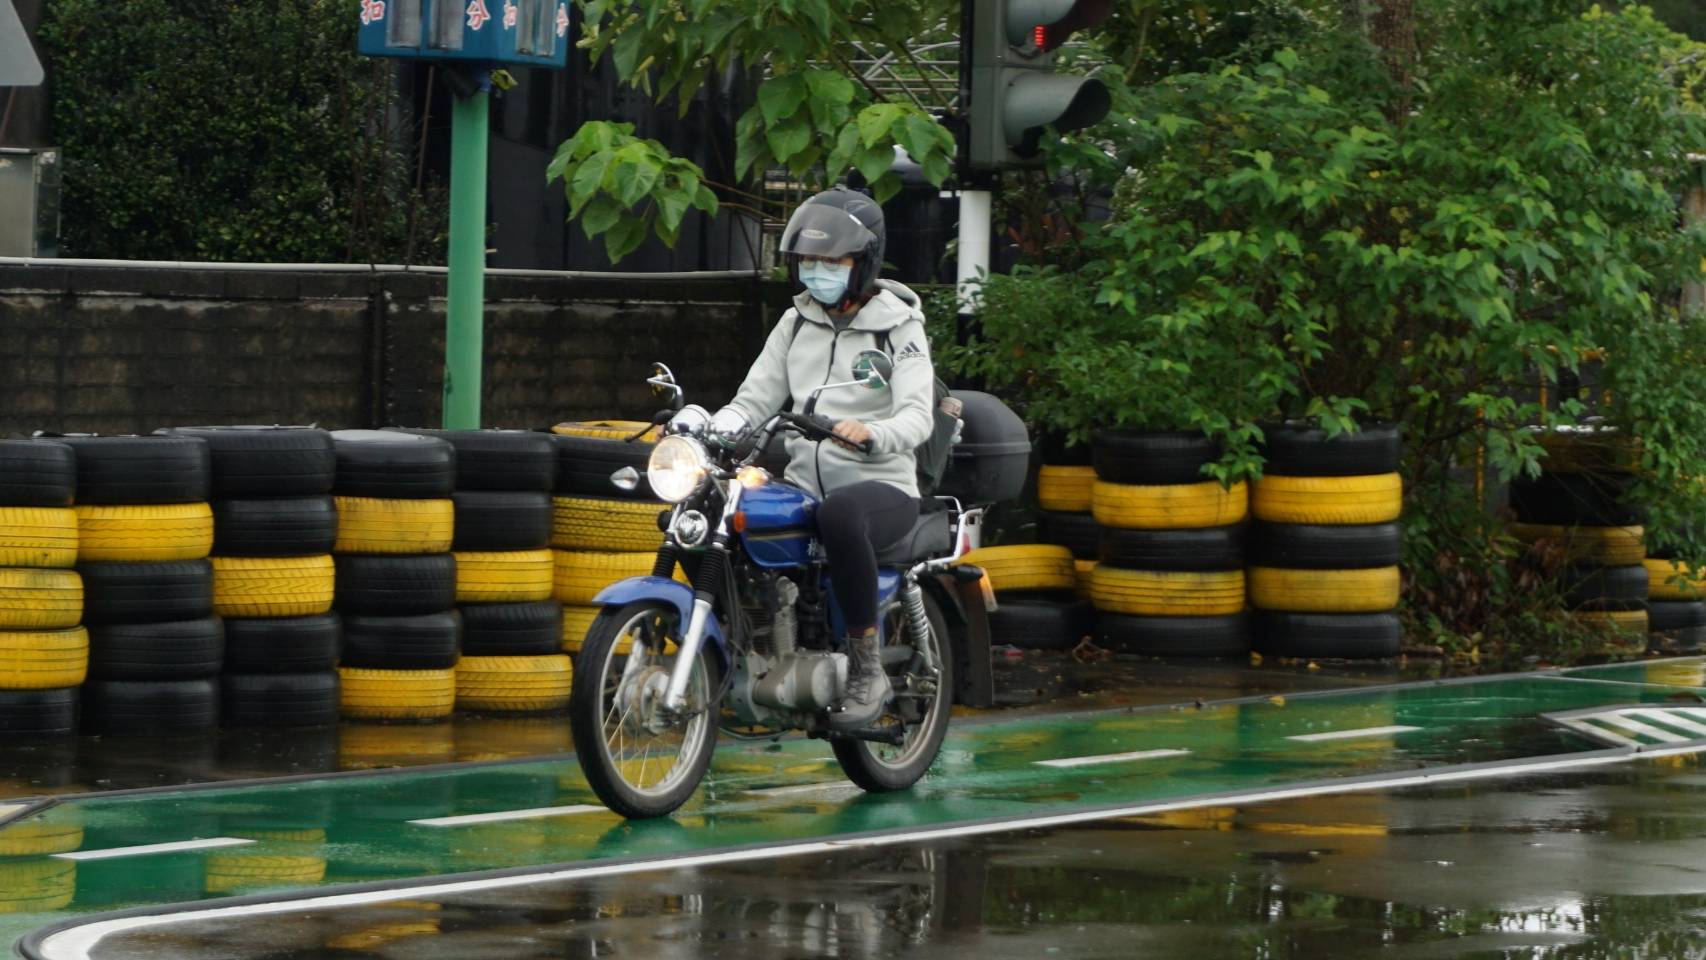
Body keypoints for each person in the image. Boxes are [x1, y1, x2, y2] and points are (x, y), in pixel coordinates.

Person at [670, 187, 935, 730]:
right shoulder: (795, 322)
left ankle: (866, 669)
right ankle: (736, 643)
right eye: (809, 260)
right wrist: (715, 429)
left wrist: (872, 433)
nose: (818, 271)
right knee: (700, 512)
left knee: (838, 515)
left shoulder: (898, 327)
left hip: (881, 486)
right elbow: (754, 399)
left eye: (832, 260)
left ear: (862, 263)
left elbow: (917, 416)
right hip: (803, 483)